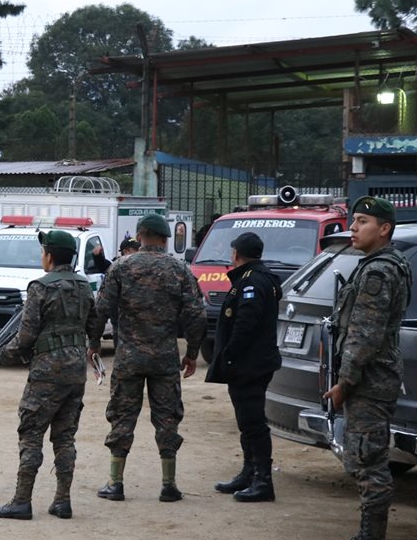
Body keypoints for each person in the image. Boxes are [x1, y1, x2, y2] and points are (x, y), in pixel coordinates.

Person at [87, 214, 206, 502]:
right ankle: (168, 485)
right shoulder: (179, 269)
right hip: (165, 359)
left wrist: (93, 345)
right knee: (167, 419)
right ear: (166, 239)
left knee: (122, 416)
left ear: (140, 234)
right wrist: (191, 353)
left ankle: (115, 483)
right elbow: (197, 315)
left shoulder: (121, 267)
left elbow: (100, 310)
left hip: (129, 357)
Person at [0, 229, 99, 520]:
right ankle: (63, 501)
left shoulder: (40, 287)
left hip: (47, 372)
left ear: (48, 255)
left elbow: (25, 338)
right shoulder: (84, 286)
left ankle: (21, 501)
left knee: (31, 433)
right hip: (75, 371)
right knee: (65, 436)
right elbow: (95, 325)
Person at [322, 196, 412, 540]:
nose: (353, 228)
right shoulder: (378, 265)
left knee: (369, 459)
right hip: (373, 376)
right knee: (363, 455)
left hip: (370, 380)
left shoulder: (379, 272)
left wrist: (344, 383)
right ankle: (366, 535)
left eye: (361, 222)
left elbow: (364, 334)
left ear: (384, 228)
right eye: (353, 221)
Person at [205, 231, 283, 502]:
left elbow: (245, 324)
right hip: (252, 362)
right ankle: (249, 472)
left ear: (236, 254)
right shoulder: (258, 278)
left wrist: (229, 356)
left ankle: (263, 480)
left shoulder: (252, 282)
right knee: (246, 420)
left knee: (253, 422)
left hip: (250, 364)